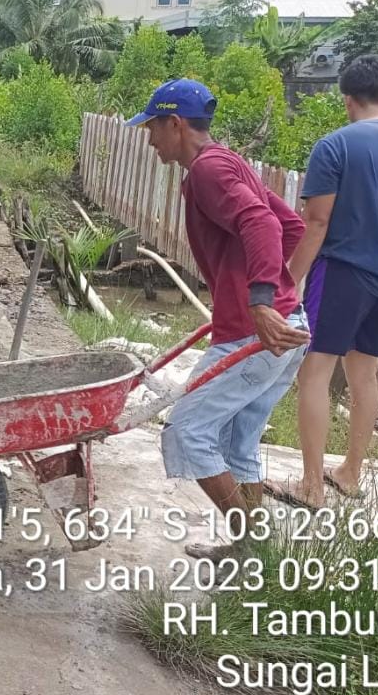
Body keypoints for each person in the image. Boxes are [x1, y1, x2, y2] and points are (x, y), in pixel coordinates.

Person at [127, 79, 310, 559]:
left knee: (187, 430)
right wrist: (259, 284)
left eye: (152, 128)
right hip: (285, 326)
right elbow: (289, 225)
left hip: (259, 333)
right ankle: (251, 552)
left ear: (175, 123)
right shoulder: (228, 161)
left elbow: (265, 225)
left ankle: (252, 551)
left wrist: (260, 298)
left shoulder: (207, 171)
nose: (149, 140)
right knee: (237, 441)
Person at [276, 55, 378, 508]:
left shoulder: (335, 146)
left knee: (315, 371)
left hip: (341, 270)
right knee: (364, 373)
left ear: (347, 100)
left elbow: (316, 224)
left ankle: (311, 487)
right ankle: (350, 472)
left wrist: (286, 284)